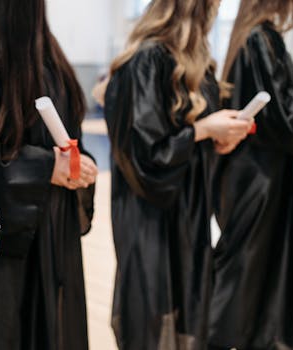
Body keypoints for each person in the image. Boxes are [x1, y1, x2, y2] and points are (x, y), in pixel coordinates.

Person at [0, 1, 97, 349]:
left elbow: (68, 135)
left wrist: (78, 164)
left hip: (54, 231)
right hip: (3, 247)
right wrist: (41, 168)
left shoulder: (44, 46)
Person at [98, 0, 252, 348]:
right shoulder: (146, 62)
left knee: (188, 306)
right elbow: (146, 155)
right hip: (150, 216)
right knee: (153, 313)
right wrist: (201, 131)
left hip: (188, 214)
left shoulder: (197, 66)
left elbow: (188, 138)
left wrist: (218, 138)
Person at [209, 0, 293, 348]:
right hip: (260, 177)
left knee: (255, 267)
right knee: (245, 266)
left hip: (255, 173)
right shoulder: (259, 40)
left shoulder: (250, 38)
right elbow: (285, 117)